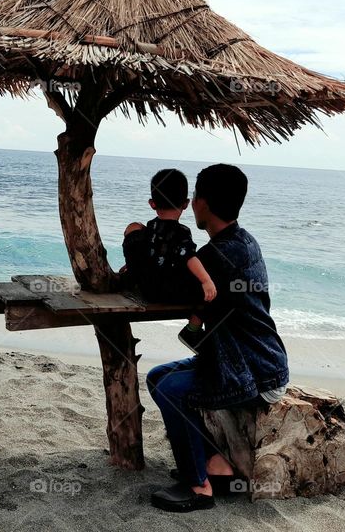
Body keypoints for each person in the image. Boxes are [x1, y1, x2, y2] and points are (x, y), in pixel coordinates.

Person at [146, 164, 290, 512]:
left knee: (169, 390)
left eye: (195, 197)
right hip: (252, 360)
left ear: (202, 204)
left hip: (254, 370)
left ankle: (199, 488)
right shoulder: (241, 241)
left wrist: (137, 240)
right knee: (156, 377)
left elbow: (161, 287)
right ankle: (217, 466)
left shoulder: (219, 254)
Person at [121, 168, 216, 352]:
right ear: (186, 204)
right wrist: (206, 280)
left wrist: (132, 265)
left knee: (133, 228)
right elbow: (189, 256)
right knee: (212, 286)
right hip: (170, 292)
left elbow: (149, 251)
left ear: (152, 203)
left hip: (143, 287)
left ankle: (128, 274)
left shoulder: (150, 228)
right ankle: (193, 328)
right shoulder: (182, 232)